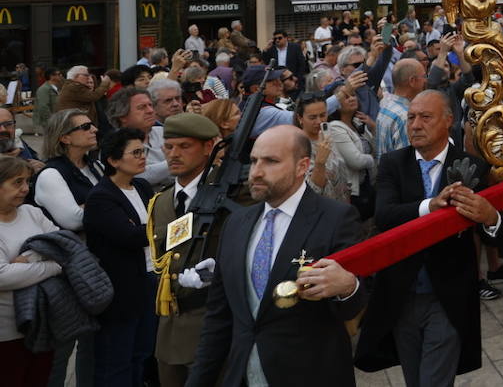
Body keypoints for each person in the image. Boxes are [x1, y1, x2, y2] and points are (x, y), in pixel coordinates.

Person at [186, 126, 366, 387]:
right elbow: (219, 318)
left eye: (271, 161)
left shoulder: (336, 219)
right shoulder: (236, 223)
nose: (257, 172)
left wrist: (348, 286)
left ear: (302, 166)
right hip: (243, 375)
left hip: (310, 375)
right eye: (254, 160)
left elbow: (355, 304)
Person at [355, 90, 502, 386]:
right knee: (414, 378)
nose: (415, 125)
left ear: (448, 121)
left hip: (447, 296)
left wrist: (490, 217)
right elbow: (384, 216)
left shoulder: (473, 166)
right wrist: (430, 206)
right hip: (401, 295)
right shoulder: (393, 163)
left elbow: (501, 231)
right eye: (411, 118)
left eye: (425, 117)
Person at [147, 113, 223, 387]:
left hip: (213, 327)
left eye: (184, 146)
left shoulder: (231, 195)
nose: (174, 154)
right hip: (170, 328)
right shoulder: (162, 201)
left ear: (208, 147)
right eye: (169, 147)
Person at [84, 128, 156, 387]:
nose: (142, 157)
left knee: (142, 354)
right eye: (136, 152)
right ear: (113, 160)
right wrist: (151, 231)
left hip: (149, 280)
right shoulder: (101, 197)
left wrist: (147, 231)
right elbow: (130, 237)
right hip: (120, 292)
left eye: (143, 151)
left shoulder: (142, 186)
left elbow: (152, 228)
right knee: (116, 362)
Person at [0, 155, 65, 386]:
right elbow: (3, 277)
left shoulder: (32, 213)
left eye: (27, 181)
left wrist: (28, 259)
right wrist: (51, 265)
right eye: (17, 182)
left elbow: (62, 248)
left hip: (42, 322)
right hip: (6, 331)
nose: (25, 189)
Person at [324, 86, 375, 221]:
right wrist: (375, 159)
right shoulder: (335, 127)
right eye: (346, 97)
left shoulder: (358, 121)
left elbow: (374, 146)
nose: (352, 98)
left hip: (368, 184)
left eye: (353, 95)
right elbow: (356, 161)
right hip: (354, 192)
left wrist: (373, 126)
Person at [107, 88, 170, 187]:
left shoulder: (163, 132)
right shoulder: (115, 144)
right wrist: (175, 161)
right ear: (123, 116)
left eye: (150, 105)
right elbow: (139, 176)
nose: (150, 111)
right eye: (141, 107)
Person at [375, 58, 425, 156]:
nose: (425, 80)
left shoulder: (386, 106)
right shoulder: (406, 117)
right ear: (412, 81)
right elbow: (407, 162)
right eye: (423, 76)